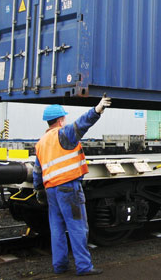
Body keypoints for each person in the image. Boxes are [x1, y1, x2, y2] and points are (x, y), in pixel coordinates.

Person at [33, 95, 111, 276]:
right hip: (69, 189)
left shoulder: (41, 143)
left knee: (57, 228)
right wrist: (97, 109)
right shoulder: (63, 134)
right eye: (64, 118)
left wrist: (38, 190)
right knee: (77, 227)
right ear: (60, 120)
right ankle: (84, 266)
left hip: (51, 191)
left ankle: (59, 266)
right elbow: (82, 124)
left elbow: (37, 171)